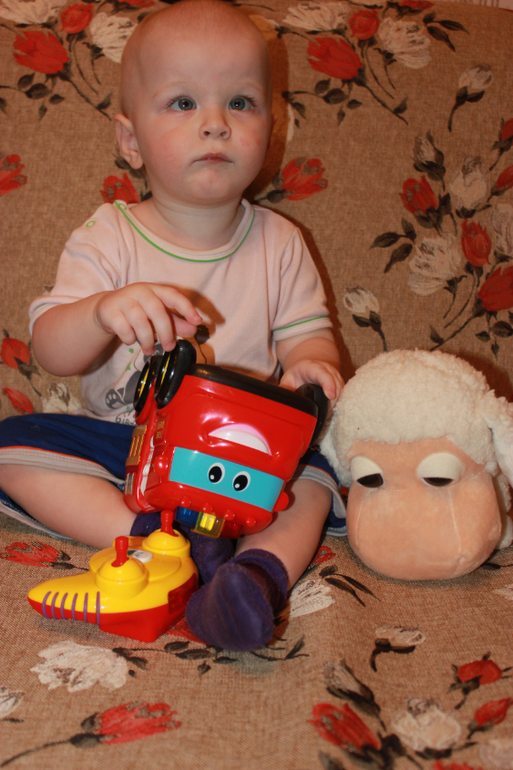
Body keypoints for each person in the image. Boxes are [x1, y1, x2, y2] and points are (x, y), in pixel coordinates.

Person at [0, 0, 344, 651]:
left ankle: (254, 576)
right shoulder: (108, 234)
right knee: (12, 446)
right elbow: (52, 351)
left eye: (240, 102)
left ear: (271, 130)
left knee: (317, 477)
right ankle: (159, 550)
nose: (215, 123)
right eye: (183, 103)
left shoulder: (281, 242)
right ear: (130, 141)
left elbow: (309, 337)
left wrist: (312, 364)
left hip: (244, 457)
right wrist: (101, 311)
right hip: (127, 451)